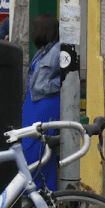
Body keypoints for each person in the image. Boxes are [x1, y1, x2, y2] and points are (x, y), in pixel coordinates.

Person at [22, 14, 61, 190]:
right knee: (31, 151)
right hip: (34, 104)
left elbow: (68, 79)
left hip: (46, 104)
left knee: (38, 153)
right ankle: (39, 195)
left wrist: (47, 87)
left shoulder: (59, 50)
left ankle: (43, 195)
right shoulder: (44, 50)